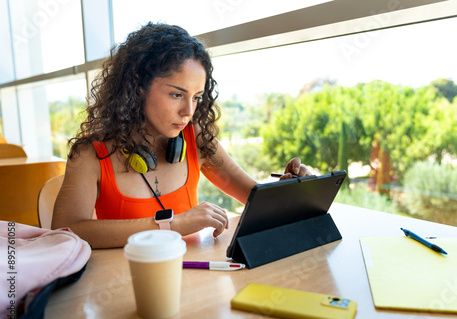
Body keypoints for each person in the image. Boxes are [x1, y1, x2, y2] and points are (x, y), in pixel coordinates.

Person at [52, 22, 311, 249]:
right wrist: (172, 224)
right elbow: (65, 232)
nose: (188, 111)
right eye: (177, 94)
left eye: (196, 97)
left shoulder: (194, 138)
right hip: (126, 288)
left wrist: (292, 190)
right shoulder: (90, 155)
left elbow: (252, 196)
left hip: (194, 282)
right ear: (138, 83)